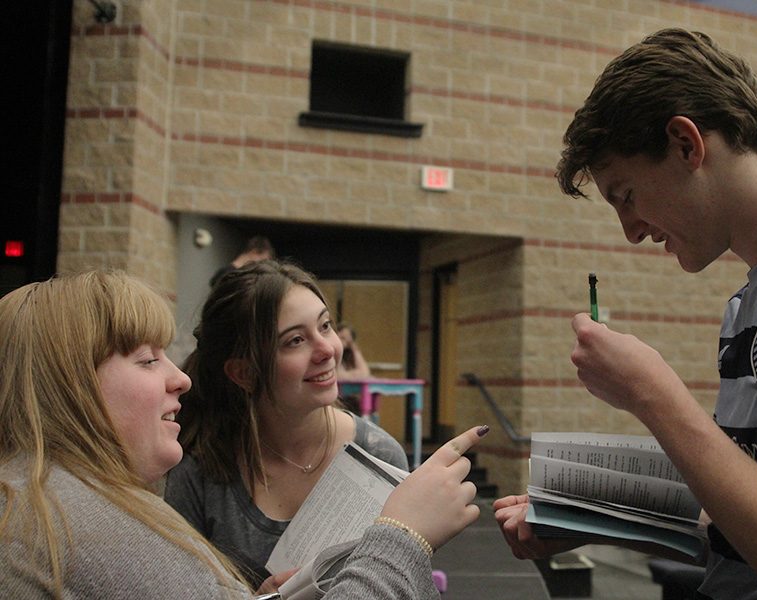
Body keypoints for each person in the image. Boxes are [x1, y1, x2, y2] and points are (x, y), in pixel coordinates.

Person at [494, 28, 757, 600]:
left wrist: (653, 395)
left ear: (687, 144)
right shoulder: (746, 305)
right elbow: (750, 531)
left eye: (626, 195)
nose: (631, 232)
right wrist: (595, 515)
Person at [0, 269, 489, 599]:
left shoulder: (47, 499)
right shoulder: (81, 521)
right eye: (148, 360)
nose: (180, 378)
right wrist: (404, 535)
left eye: (326, 326)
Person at [166, 260, 408, 587]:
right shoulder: (200, 471)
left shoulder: (380, 457)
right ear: (244, 373)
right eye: (295, 340)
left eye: (325, 326)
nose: (326, 350)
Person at [210, 235, 276, 287]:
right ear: (254, 252)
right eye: (262, 260)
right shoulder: (229, 274)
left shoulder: (231, 273)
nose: (261, 264)